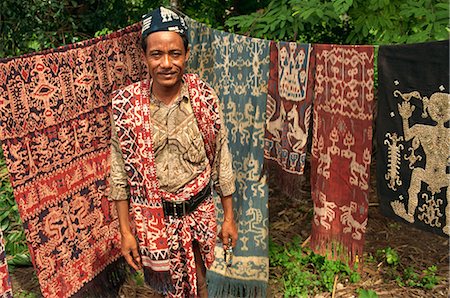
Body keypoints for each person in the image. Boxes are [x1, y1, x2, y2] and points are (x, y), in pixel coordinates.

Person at [109, 7, 238, 297]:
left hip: (199, 213)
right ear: (145, 57)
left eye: (175, 54)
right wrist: (126, 232)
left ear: (187, 54)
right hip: (155, 222)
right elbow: (118, 175)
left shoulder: (203, 98)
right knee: (165, 290)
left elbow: (222, 159)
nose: (166, 63)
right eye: (157, 54)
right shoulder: (126, 107)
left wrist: (228, 217)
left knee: (201, 284)